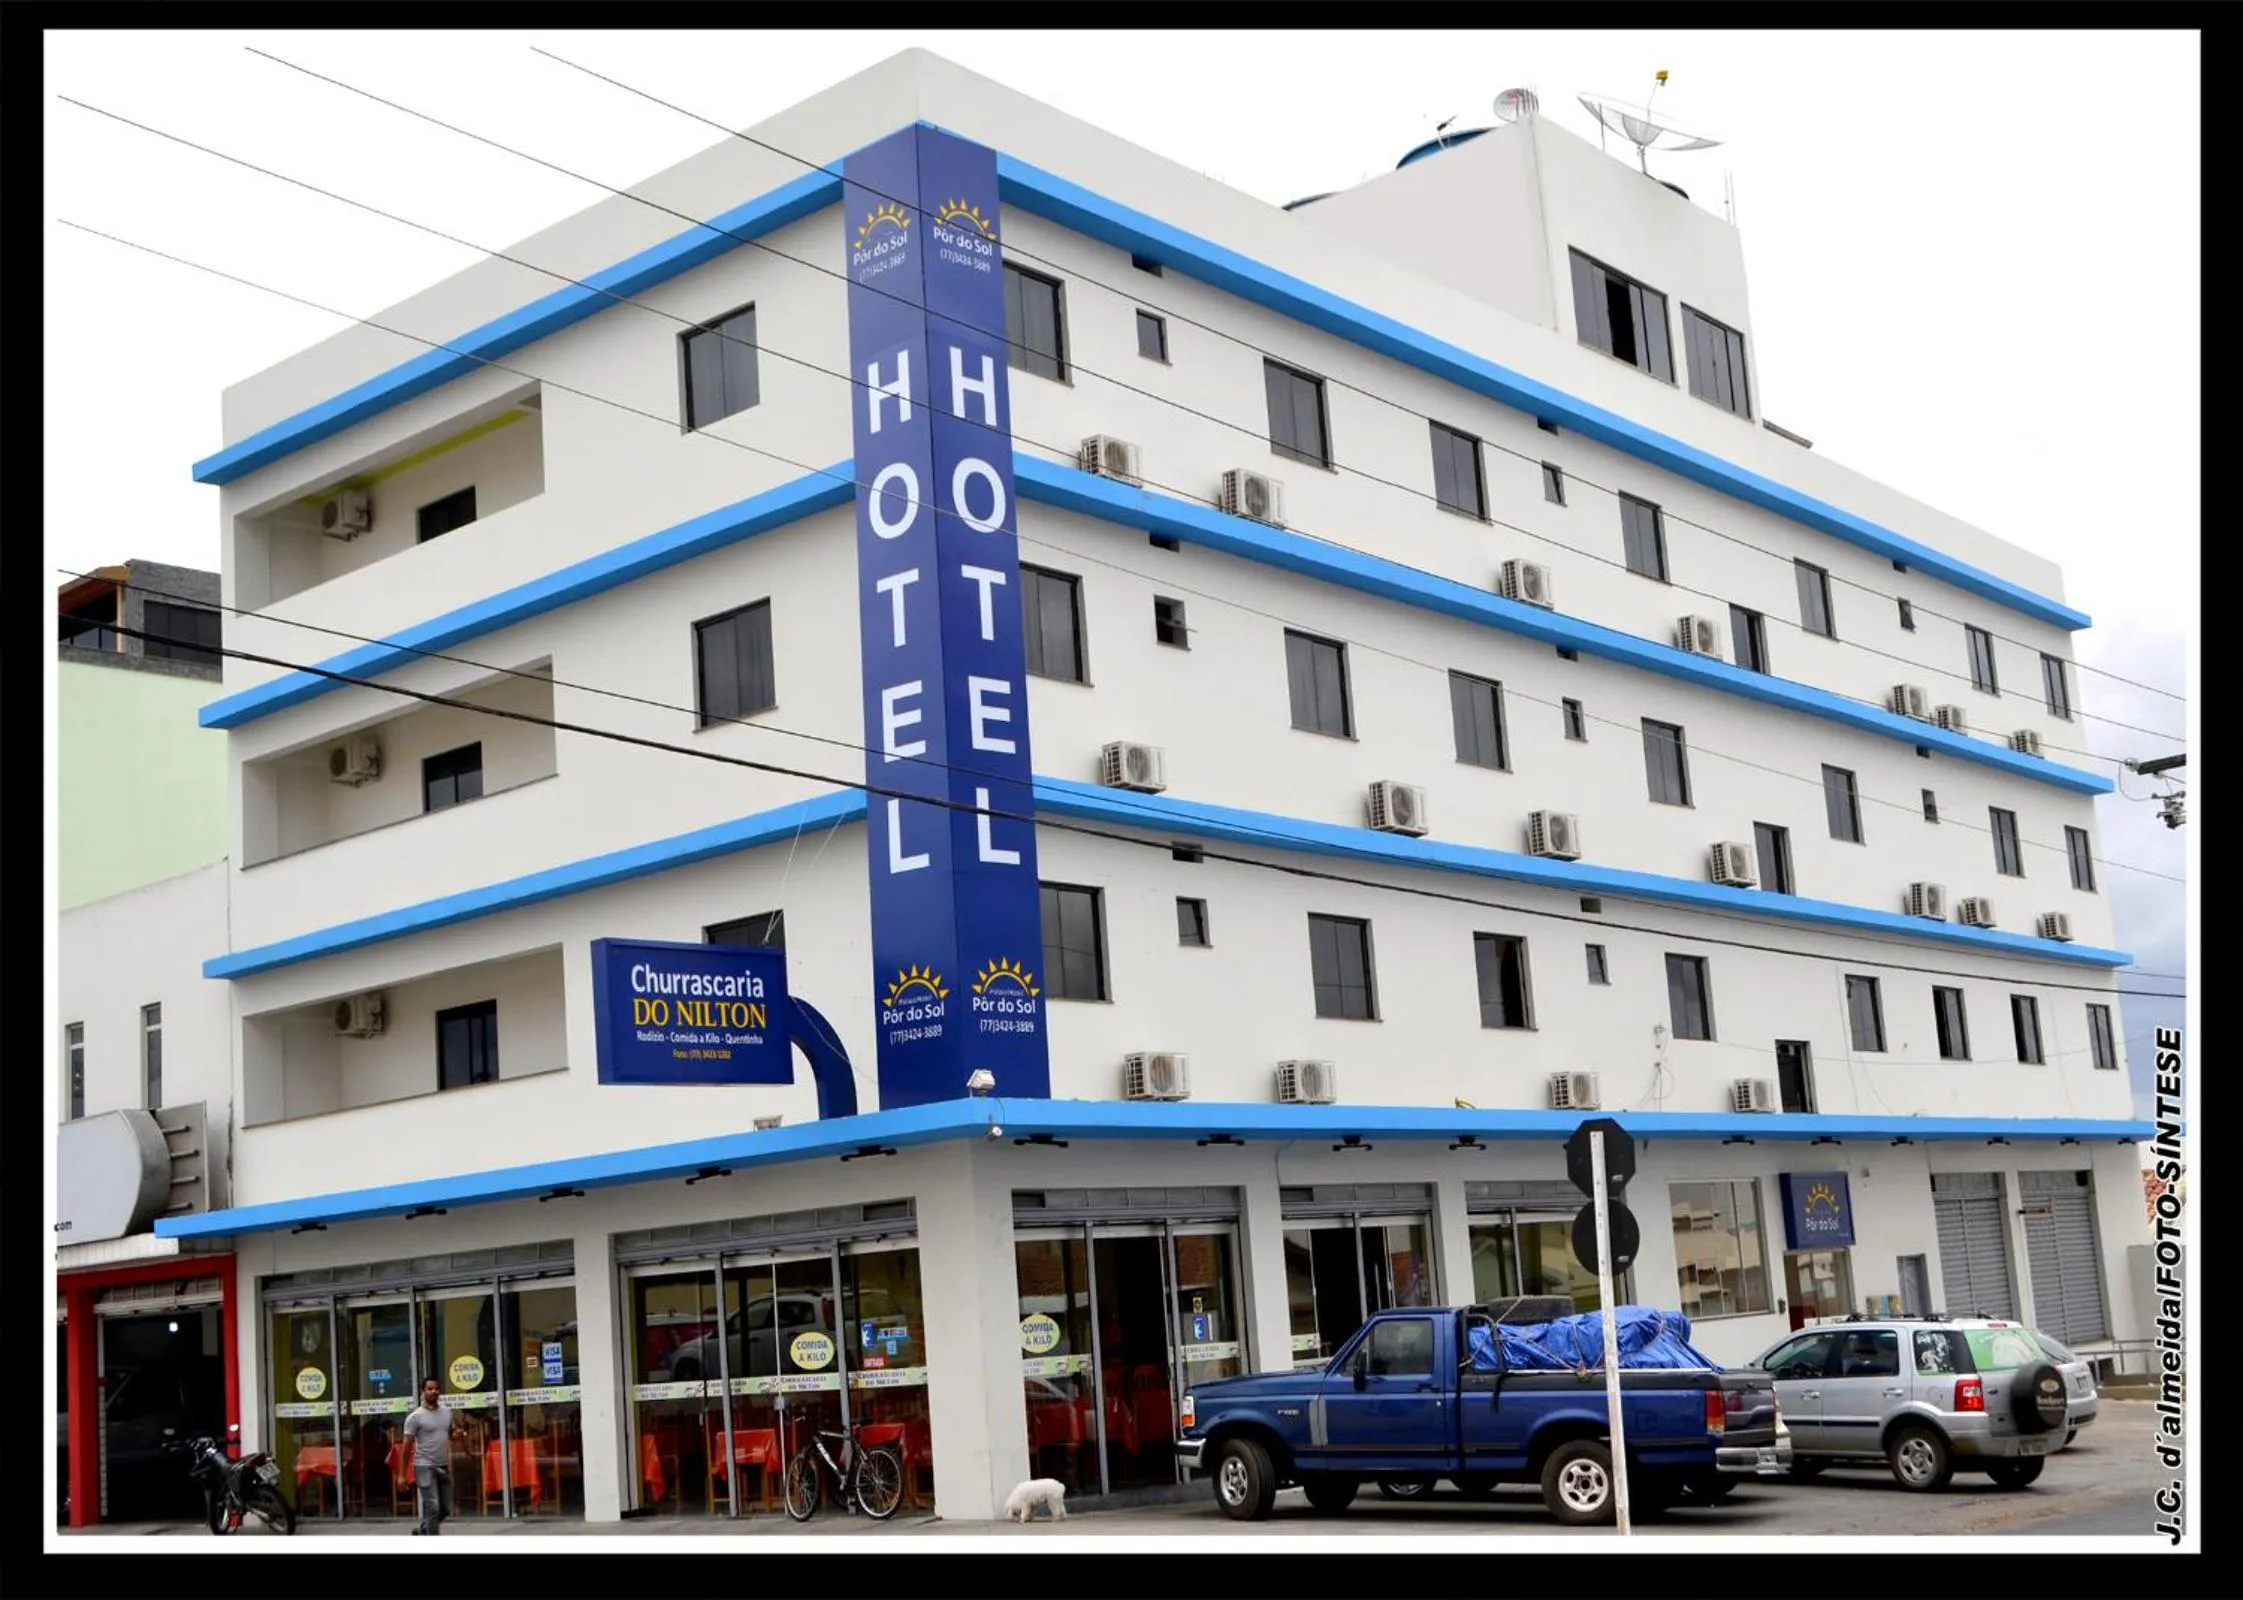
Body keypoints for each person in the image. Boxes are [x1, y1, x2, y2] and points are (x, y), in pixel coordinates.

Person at [401, 1378, 461, 1534]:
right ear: (422, 1392)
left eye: (436, 1388)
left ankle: (424, 1530)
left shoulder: (447, 1412)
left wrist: (456, 1434)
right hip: (424, 1466)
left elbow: (451, 1434)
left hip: (442, 1464)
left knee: (446, 1508)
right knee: (433, 1506)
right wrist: (402, 1475)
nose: (434, 1391)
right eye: (429, 1389)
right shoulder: (415, 1417)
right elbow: (406, 1447)